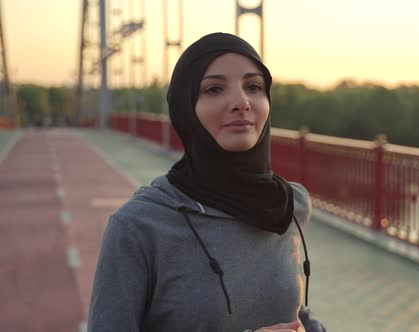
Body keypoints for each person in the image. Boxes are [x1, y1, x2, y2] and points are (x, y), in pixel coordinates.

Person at [87, 32, 326, 332]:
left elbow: (296, 313)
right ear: (185, 108)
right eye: (214, 89)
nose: (241, 102)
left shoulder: (287, 206)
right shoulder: (139, 226)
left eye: (253, 86)